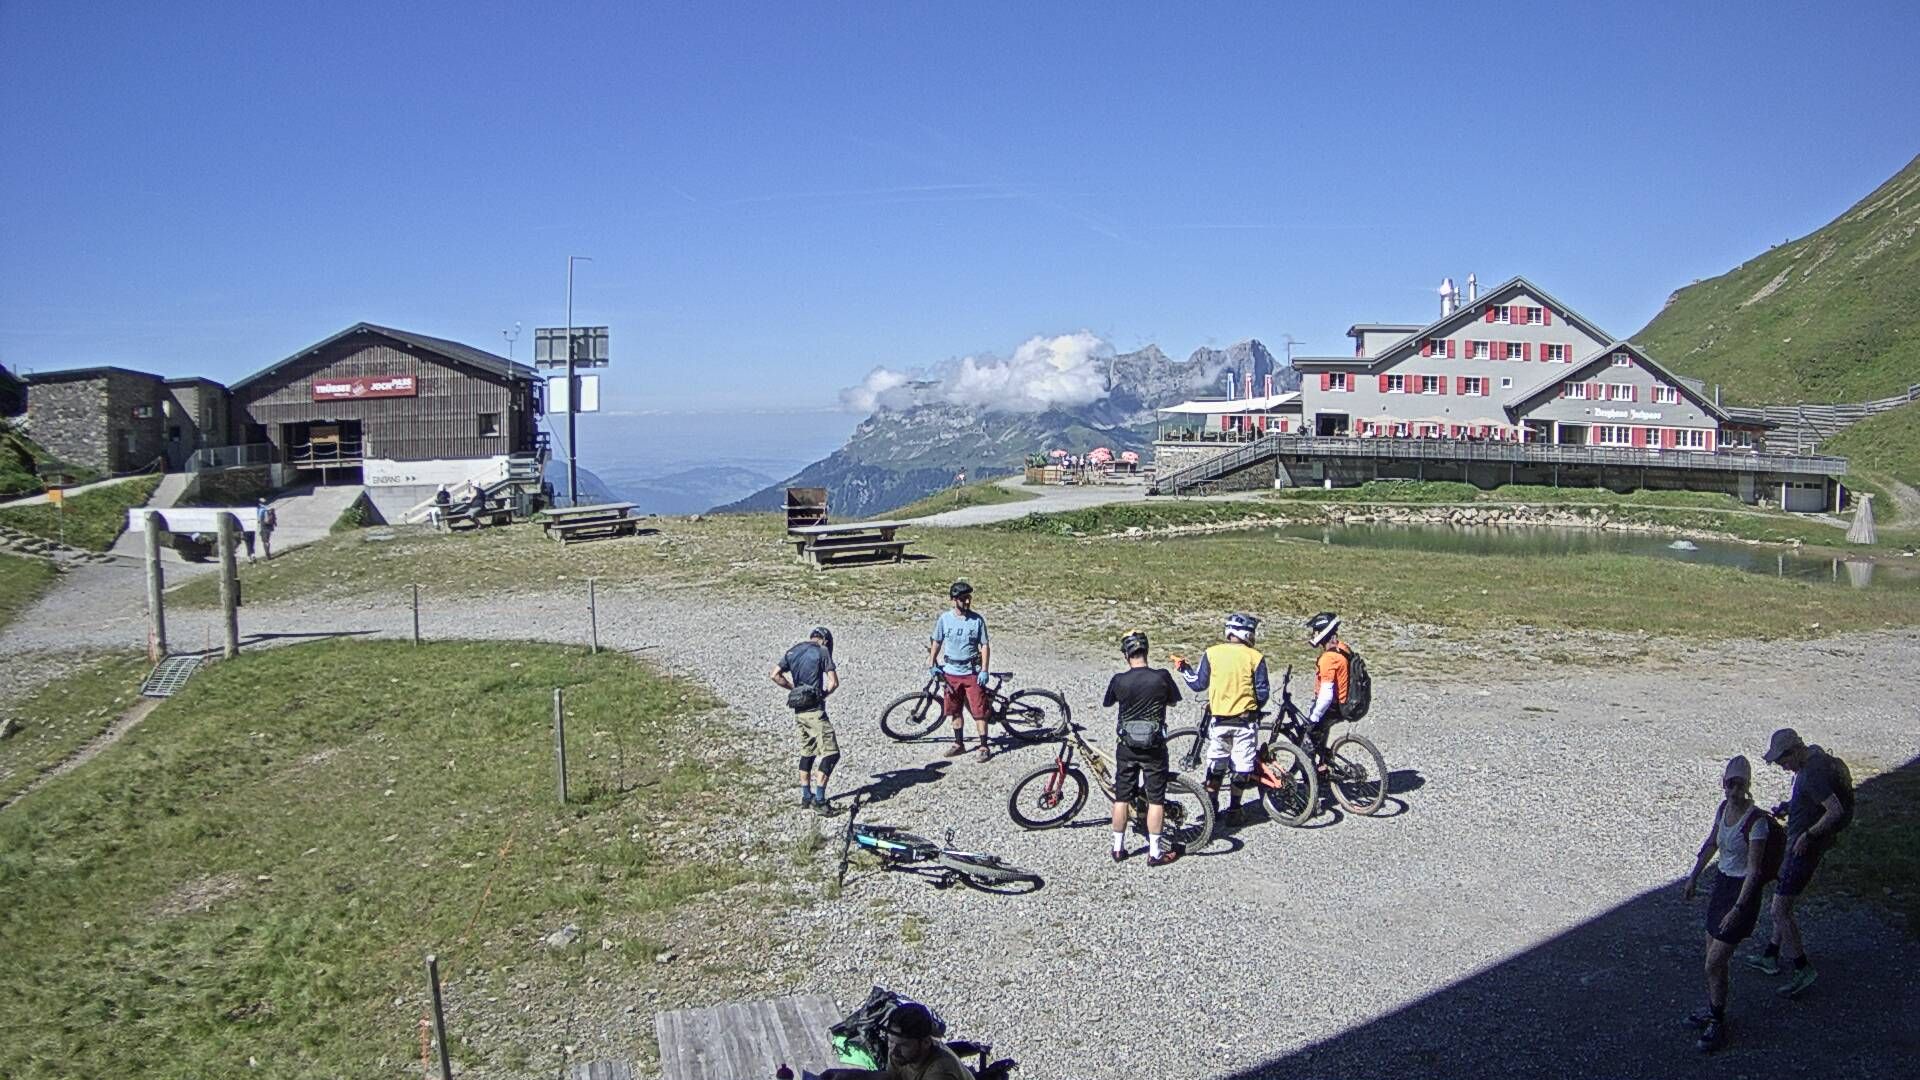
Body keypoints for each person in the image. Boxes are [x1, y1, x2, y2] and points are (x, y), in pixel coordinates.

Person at [1745, 727, 1853, 997]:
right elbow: (1810, 801)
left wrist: (1808, 835)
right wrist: (1789, 807)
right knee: (1782, 901)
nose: (1782, 767)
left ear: (1794, 751)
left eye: (1783, 761)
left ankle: (1802, 968)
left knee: (1779, 909)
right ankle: (1770, 955)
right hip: (1800, 844)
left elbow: (1835, 811)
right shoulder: (1812, 760)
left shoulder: (1812, 772)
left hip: (1804, 849)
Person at [1682, 755, 1773, 1052]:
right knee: (1714, 962)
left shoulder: (1756, 823)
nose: (1733, 792)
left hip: (1741, 893)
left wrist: (1738, 909)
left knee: (1713, 962)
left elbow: (1755, 870)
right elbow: (1712, 843)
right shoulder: (1723, 809)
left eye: (1739, 786)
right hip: (1722, 886)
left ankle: (1717, 1022)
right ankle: (1715, 1012)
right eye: (1729, 785)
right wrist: (1694, 875)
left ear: (1747, 787)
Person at [1175, 613, 1268, 820]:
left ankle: (1211, 806)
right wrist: (1253, 707)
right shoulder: (1256, 657)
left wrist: (1183, 669)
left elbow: (1198, 683)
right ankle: (1235, 808)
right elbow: (1263, 693)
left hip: (1220, 721)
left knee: (1216, 764)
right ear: (1247, 634)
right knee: (1242, 767)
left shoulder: (1212, 653)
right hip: (1246, 722)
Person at [1104, 630, 1183, 866]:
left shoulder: (1120, 679)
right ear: (1146, 651)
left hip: (1127, 747)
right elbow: (1173, 700)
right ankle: (1155, 852)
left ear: (1126, 655)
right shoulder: (1161, 677)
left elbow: (1108, 702)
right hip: (1154, 747)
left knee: (1121, 797)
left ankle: (1118, 848)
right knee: (1156, 799)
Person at [771, 627, 840, 815]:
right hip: (815, 711)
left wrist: (793, 689)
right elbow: (834, 682)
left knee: (807, 752)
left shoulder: (793, 650)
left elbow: (774, 674)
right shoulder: (822, 651)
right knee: (831, 753)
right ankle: (820, 800)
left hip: (799, 711)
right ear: (825, 640)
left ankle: (805, 796)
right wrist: (823, 694)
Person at [820, 1002, 971, 1080]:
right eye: (891, 1041)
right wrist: (846, 1076)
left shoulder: (939, 1073)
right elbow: (889, 1078)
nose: (893, 1050)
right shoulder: (903, 1055)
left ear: (925, 1042)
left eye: (903, 1045)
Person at [928, 581, 992, 762]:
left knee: (979, 710)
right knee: (954, 709)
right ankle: (958, 743)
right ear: (954, 600)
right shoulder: (944, 619)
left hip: (971, 671)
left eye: (969, 598)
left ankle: (983, 745)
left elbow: (985, 645)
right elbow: (937, 641)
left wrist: (984, 670)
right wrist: (932, 662)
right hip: (951, 672)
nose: (967, 602)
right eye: (963, 599)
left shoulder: (977, 620)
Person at [1303, 611, 1352, 763]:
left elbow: (1326, 694)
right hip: (1344, 702)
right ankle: (1323, 765)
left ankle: (1311, 782)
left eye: (1315, 631)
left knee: (1307, 742)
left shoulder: (1328, 659)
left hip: (1332, 705)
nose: (1313, 635)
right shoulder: (1343, 648)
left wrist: (1313, 718)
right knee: (1321, 733)